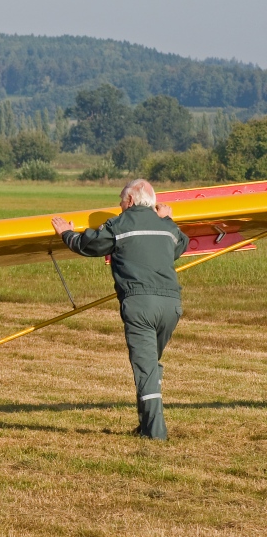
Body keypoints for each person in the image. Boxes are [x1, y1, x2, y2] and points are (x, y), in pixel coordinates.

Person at [51, 179, 189, 440]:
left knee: (146, 368)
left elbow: (89, 245)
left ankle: (155, 434)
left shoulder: (120, 224)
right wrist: (168, 219)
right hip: (172, 305)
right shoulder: (167, 227)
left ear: (132, 201)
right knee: (150, 366)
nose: (119, 204)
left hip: (140, 304)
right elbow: (179, 246)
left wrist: (66, 234)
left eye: (121, 200)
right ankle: (145, 424)